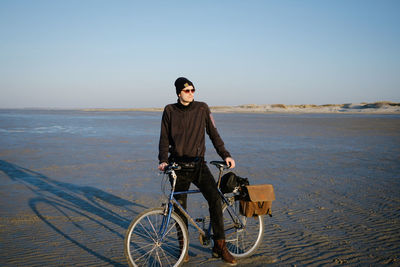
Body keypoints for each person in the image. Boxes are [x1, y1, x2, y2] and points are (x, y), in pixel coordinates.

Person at [158, 77, 237, 265]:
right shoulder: (169, 110)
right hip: (177, 167)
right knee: (179, 208)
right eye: (187, 91)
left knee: (215, 199)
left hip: (198, 165)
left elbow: (213, 133)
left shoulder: (202, 108)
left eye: (193, 90)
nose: (191, 93)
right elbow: (164, 139)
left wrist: (225, 154)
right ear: (179, 93)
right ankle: (183, 248)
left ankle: (220, 246)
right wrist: (163, 160)